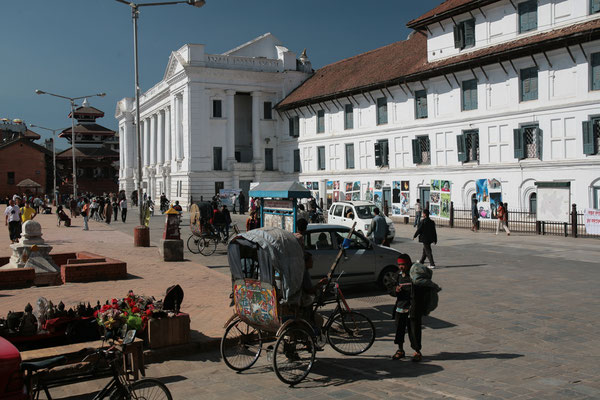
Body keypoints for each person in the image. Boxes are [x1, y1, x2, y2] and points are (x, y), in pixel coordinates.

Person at [391, 254, 422, 362]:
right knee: (399, 330)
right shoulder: (397, 276)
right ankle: (400, 350)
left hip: (412, 308)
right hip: (400, 307)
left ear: (408, 263)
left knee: (414, 331)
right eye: (399, 264)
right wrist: (395, 289)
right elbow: (390, 288)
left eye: (403, 264)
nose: (401, 267)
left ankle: (417, 351)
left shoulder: (414, 276)